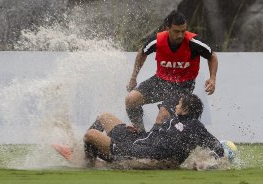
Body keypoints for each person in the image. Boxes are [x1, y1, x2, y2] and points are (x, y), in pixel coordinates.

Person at [125, 10, 218, 132]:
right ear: (166, 28)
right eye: (176, 31)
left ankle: (150, 143)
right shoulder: (157, 41)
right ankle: (140, 134)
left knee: (163, 115)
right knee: (131, 100)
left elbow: (212, 56)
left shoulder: (194, 43)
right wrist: (133, 78)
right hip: (160, 81)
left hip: (183, 86)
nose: (180, 35)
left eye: (183, 31)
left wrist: (212, 78)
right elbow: (142, 53)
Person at [83, 94, 224, 167]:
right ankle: (89, 156)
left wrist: (216, 163)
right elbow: (154, 136)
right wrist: (139, 132)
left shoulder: (195, 126)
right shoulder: (173, 121)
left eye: (179, 103)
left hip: (139, 153)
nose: (176, 105)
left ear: (185, 109)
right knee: (104, 117)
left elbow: (217, 147)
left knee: (90, 135)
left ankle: (88, 163)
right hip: (138, 140)